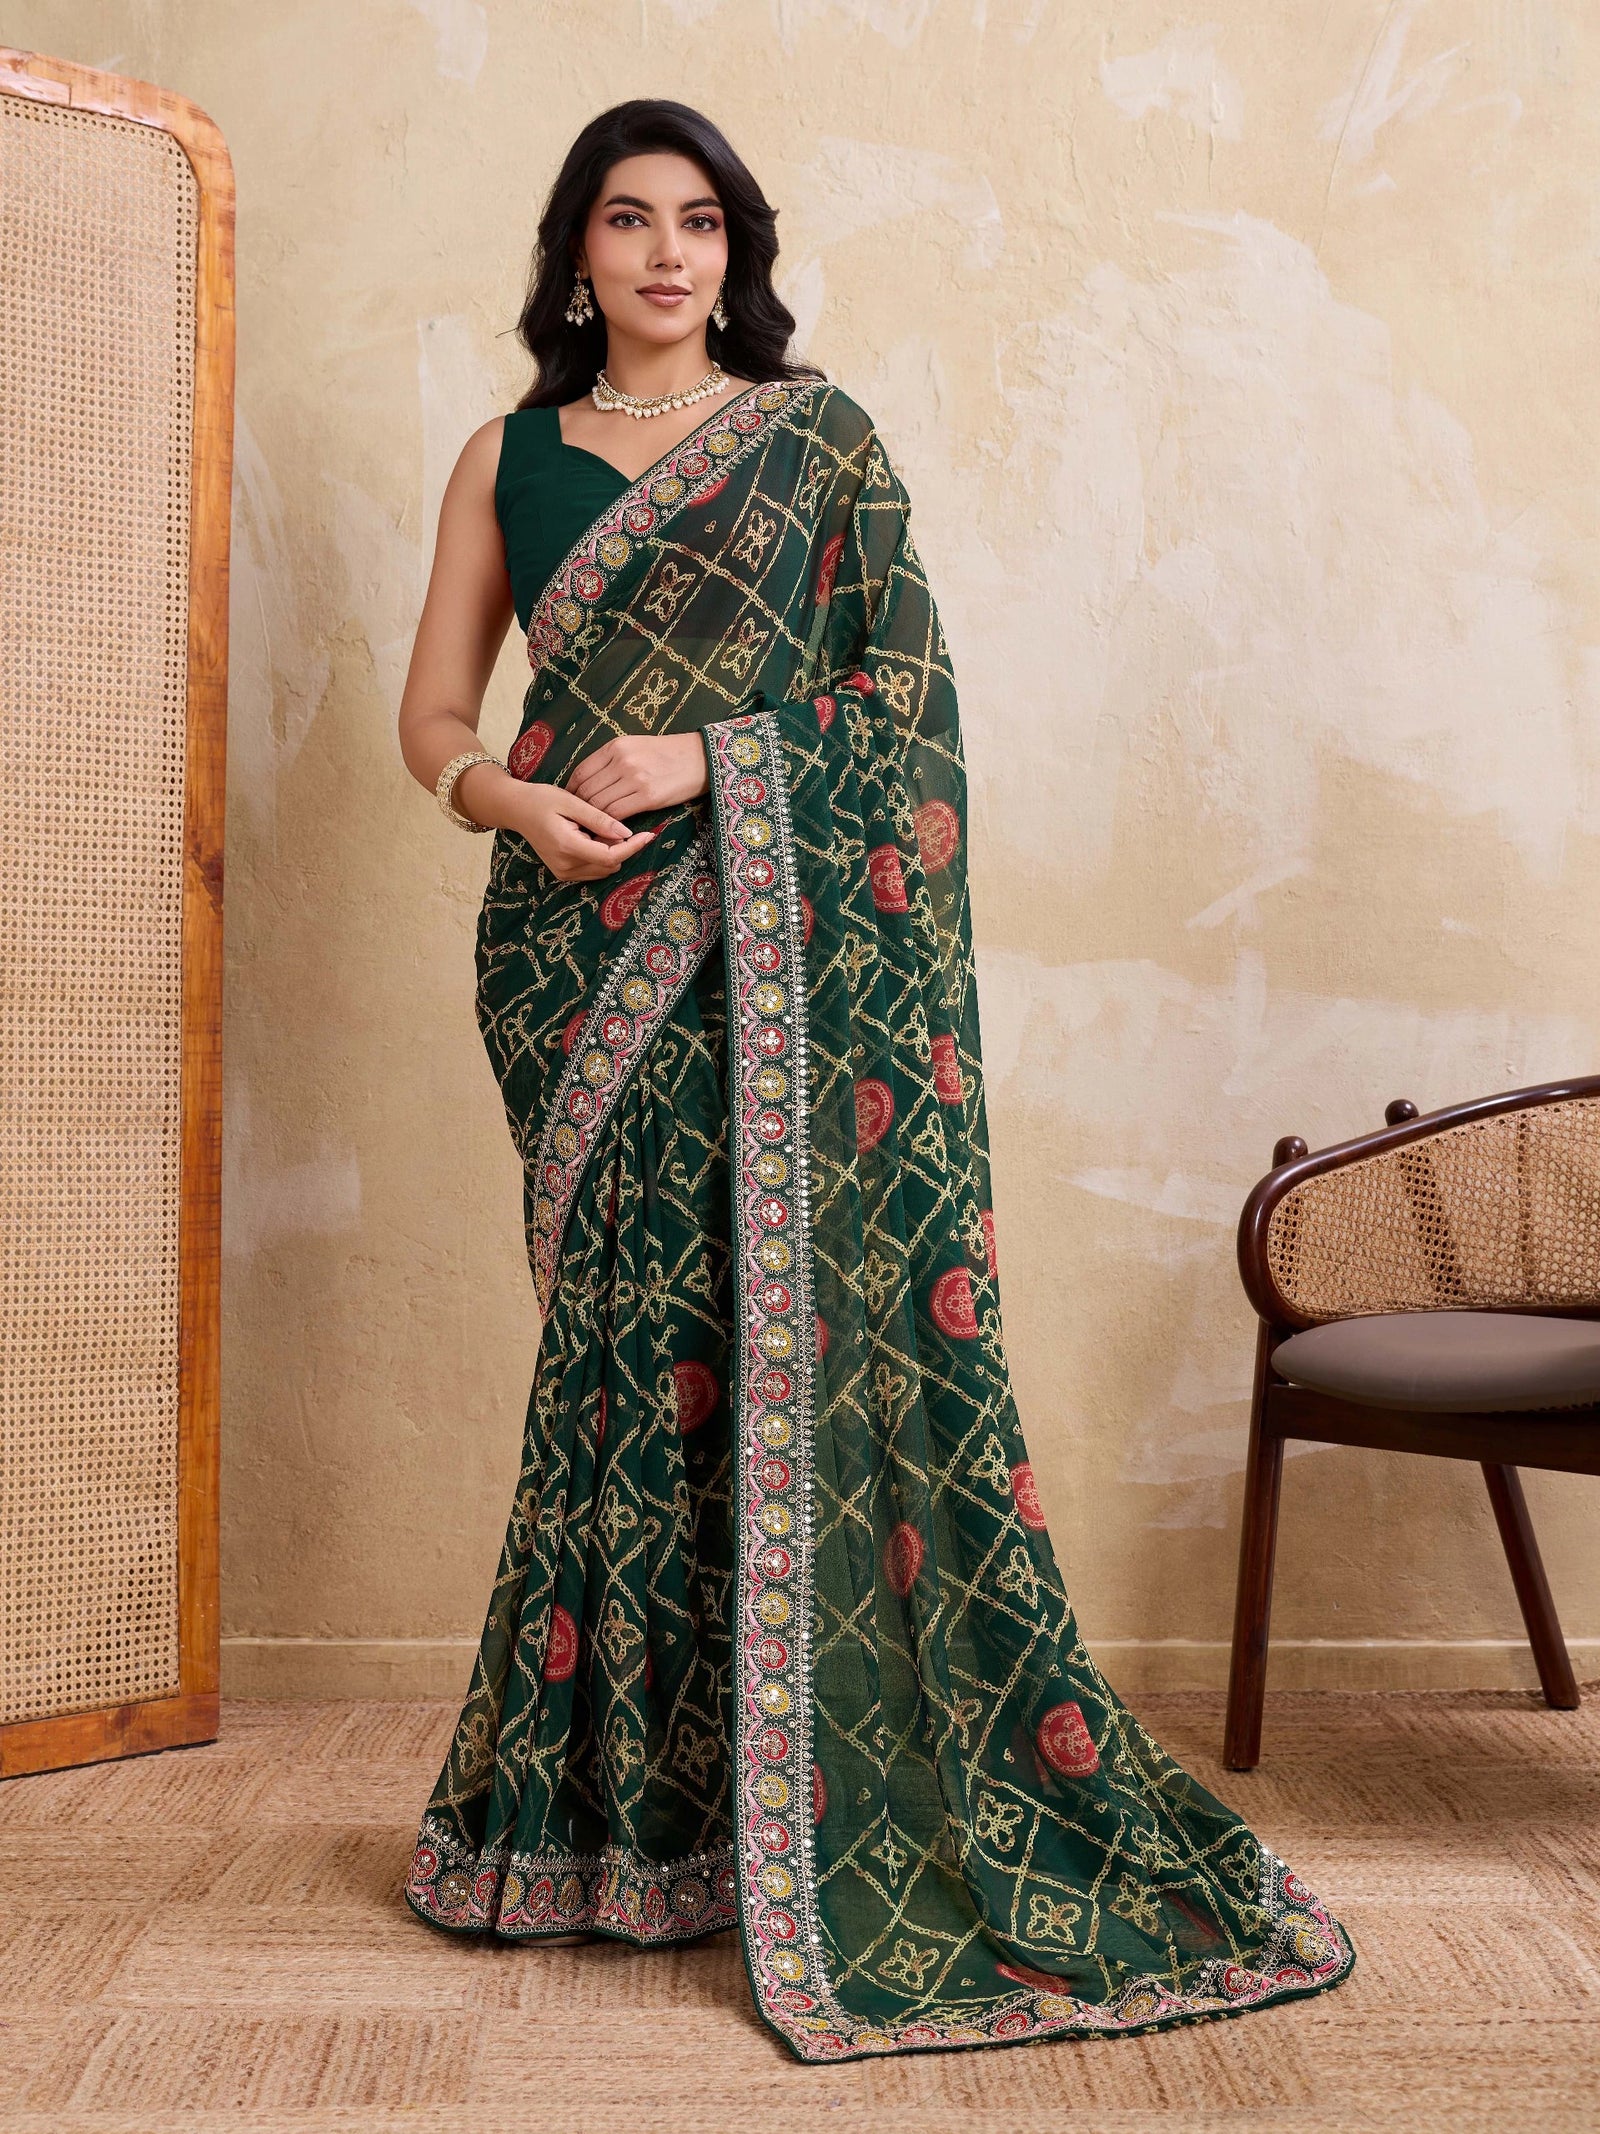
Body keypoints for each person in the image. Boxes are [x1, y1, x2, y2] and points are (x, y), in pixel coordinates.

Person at [395, 97, 1353, 2065]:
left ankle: (796, 1807)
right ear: (574, 255)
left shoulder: (815, 441)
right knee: (624, 1358)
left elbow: (902, 712)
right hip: (575, 952)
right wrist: (513, 799)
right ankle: (607, 1825)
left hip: (777, 946)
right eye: (627, 221)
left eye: (701, 223)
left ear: (737, 252)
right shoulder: (505, 459)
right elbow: (432, 720)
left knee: (779, 1344)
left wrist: (704, 761)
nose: (667, 255)